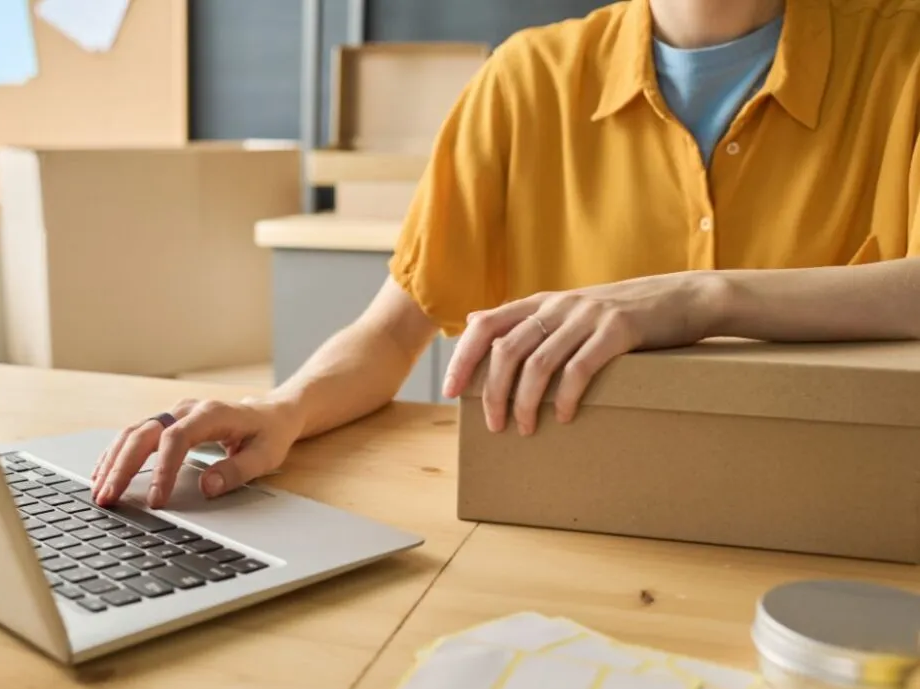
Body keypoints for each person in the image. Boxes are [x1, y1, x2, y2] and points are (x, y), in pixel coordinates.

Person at [93, 0, 920, 510]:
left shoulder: (904, 55)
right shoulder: (526, 78)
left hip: (836, 525)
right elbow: (388, 337)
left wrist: (697, 300)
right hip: (564, 520)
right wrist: (285, 408)